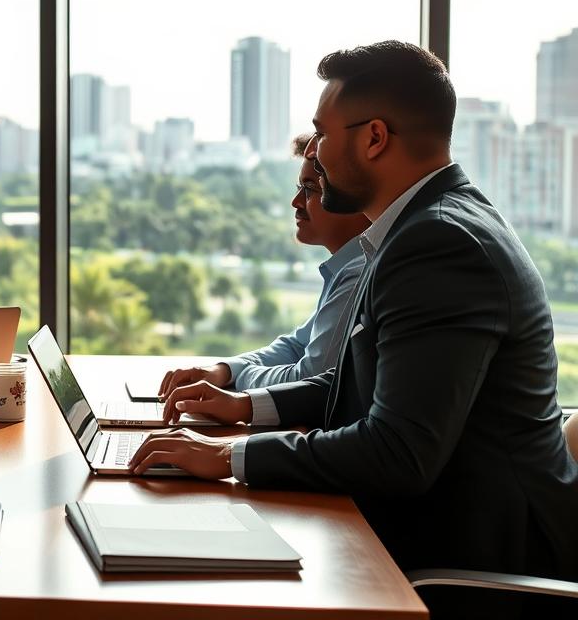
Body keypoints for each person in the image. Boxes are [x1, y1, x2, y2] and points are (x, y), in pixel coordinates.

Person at [133, 42, 578, 617]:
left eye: (321, 133)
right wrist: (244, 410)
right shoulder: (420, 227)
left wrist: (229, 458)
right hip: (435, 528)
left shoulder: (438, 243)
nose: (313, 150)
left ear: (373, 138)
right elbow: (354, 382)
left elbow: (397, 452)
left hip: (477, 560)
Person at [159, 133, 370, 395]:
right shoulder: (344, 268)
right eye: (298, 189)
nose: (295, 202)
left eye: (310, 189)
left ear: (356, 200)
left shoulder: (358, 272)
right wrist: (223, 372)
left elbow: (307, 377)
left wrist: (241, 378)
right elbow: (296, 345)